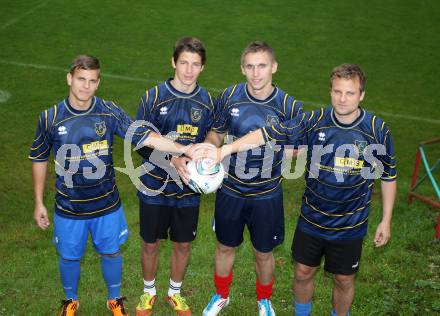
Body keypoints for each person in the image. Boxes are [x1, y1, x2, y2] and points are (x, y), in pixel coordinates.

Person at [194, 64, 397, 316]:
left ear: (362, 95)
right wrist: (224, 150)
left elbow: (388, 176)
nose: (342, 99)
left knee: (344, 280)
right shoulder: (312, 122)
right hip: (312, 218)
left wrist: (386, 220)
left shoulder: (377, 131)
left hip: (351, 224)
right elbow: (267, 134)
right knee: (302, 272)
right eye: (337, 92)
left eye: (350, 93)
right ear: (330, 92)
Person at [29, 55, 151, 316]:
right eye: (81, 79)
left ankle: (114, 300)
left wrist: (179, 150)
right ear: (69, 78)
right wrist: (39, 201)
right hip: (69, 206)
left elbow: (140, 135)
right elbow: (39, 158)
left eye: (92, 81)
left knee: (111, 253)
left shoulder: (108, 111)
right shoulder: (50, 118)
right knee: (69, 256)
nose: (85, 86)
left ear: (98, 83)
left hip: (106, 204)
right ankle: (71, 300)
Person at [200, 41, 303, 316]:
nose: (256, 73)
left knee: (264, 252)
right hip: (230, 188)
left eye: (262, 66)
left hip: (266, 193)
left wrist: (283, 148)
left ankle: (264, 300)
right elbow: (216, 133)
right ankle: (221, 295)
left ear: (274, 67)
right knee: (224, 246)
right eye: (250, 66)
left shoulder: (289, 106)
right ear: (242, 68)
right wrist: (210, 148)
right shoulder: (230, 96)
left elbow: (300, 147)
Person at [134, 37, 216, 316]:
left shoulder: (207, 102)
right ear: (173, 63)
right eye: (184, 63)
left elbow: (210, 140)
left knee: (183, 243)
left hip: (188, 189)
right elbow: (141, 143)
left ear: (202, 67)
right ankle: (148, 292)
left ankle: (175, 293)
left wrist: (202, 159)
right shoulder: (154, 97)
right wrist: (171, 159)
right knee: (150, 242)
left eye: (195, 64)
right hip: (154, 186)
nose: (189, 70)